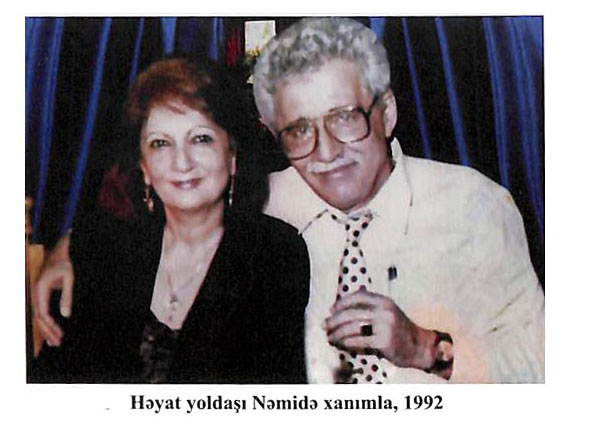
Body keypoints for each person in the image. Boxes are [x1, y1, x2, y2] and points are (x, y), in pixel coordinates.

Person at [33, 17, 544, 383]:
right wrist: (66, 249)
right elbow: (172, 214)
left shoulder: (473, 207)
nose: (326, 151)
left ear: (386, 112)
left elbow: (546, 367)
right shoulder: (268, 204)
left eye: (345, 117)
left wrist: (430, 350)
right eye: (300, 129)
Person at [31, 56, 309, 383]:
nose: (182, 162)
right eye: (161, 143)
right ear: (144, 168)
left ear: (232, 154)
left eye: (201, 138)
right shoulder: (101, 250)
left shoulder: (276, 255)